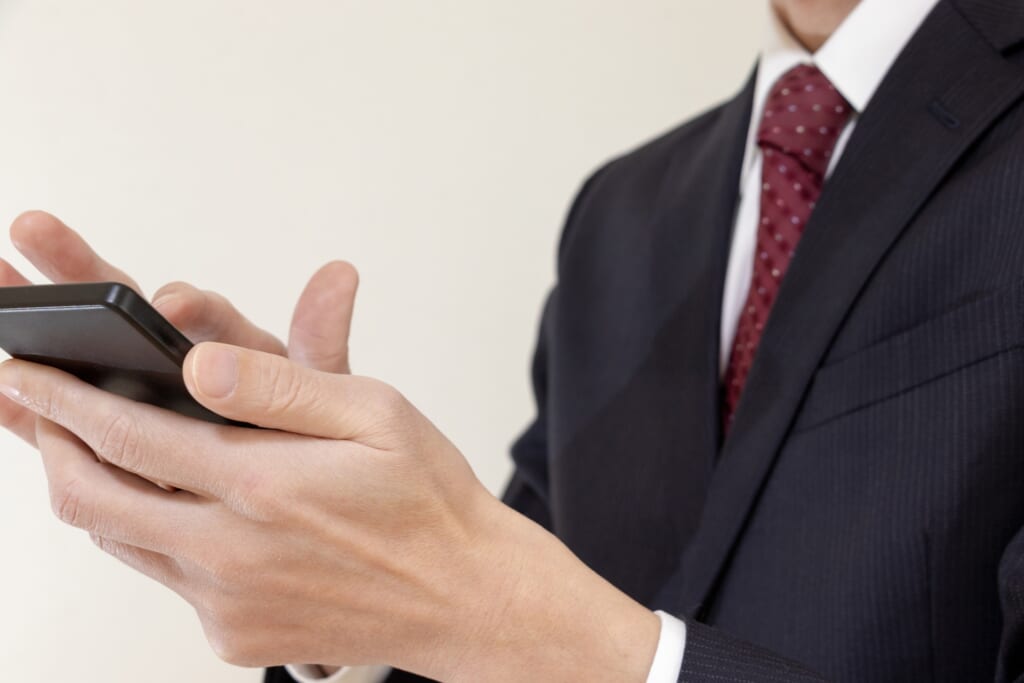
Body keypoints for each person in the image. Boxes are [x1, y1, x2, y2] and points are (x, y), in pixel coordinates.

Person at [5, 0, 1024, 679]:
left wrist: (552, 634)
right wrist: (344, 581)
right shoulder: (624, 213)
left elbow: (530, 622)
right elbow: (505, 601)